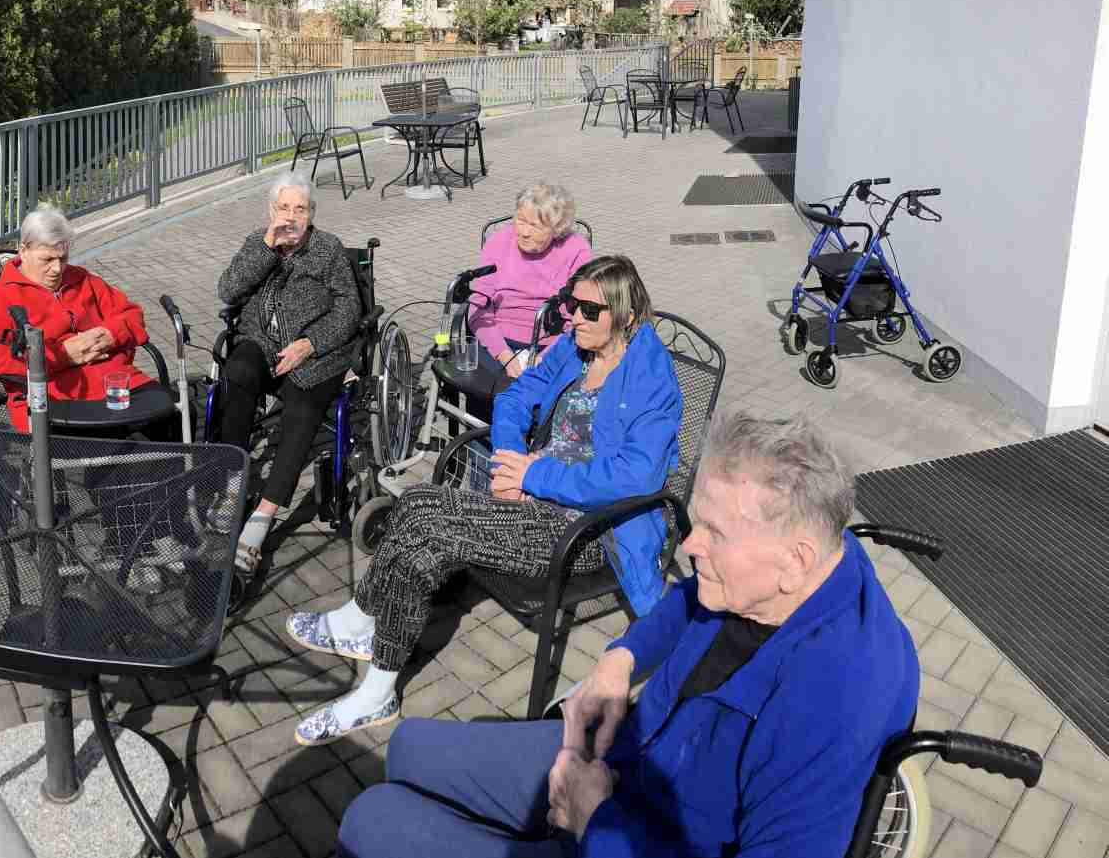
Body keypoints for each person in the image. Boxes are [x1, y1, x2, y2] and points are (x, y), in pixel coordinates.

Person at [335, 412, 919, 858]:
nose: (690, 545)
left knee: (371, 818)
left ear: (795, 560)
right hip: (624, 757)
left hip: (634, 834)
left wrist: (594, 819)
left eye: (714, 533)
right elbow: (691, 600)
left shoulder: (836, 698)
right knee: (406, 746)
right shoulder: (805, 563)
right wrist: (621, 658)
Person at [286, 256, 681, 746]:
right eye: (569, 304)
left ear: (625, 314)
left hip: (590, 531)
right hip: (537, 496)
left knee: (424, 522)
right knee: (419, 523)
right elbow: (515, 397)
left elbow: (635, 476)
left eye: (588, 310)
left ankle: (366, 646)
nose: (573, 317)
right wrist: (509, 459)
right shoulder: (576, 348)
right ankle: (372, 664)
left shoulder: (650, 376)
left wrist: (535, 475)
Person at [214, 172, 363, 575]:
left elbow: (350, 308)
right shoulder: (258, 242)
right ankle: (232, 484)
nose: (291, 217)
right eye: (284, 208)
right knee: (237, 373)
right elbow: (227, 290)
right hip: (261, 342)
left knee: (303, 406)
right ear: (272, 210)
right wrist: (267, 245)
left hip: (313, 352)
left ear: (311, 213)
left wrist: (310, 343)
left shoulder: (328, 249)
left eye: (300, 209)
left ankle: (261, 520)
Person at [0, 203, 175, 437]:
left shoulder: (82, 279)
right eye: (47, 259)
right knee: (106, 439)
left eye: (62, 258)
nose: (57, 269)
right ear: (23, 251)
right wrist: (61, 356)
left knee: (174, 416)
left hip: (116, 383)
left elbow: (132, 314)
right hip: (56, 396)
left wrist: (111, 335)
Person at [469, 183, 592, 379]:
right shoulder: (499, 241)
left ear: (557, 228)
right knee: (481, 382)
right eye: (521, 221)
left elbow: (577, 317)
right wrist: (504, 355)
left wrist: (542, 359)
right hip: (498, 340)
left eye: (535, 226)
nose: (524, 232)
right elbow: (478, 305)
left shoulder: (577, 249)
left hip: (551, 344)